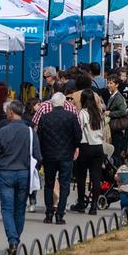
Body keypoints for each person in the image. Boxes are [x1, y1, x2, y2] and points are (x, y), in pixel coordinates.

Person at [0, 100, 41, 255]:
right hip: (24, 172)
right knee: (20, 209)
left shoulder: (2, 131)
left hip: (5, 172)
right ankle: (15, 239)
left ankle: (13, 239)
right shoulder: (30, 132)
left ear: (11, 112)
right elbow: (38, 155)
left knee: (7, 208)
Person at [36, 92, 81, 226]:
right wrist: (73, 146)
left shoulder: (44, 118)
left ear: (51, 103)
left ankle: (49, 213)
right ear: (63, 103)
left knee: (49, 184)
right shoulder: (71, 117)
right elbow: (78, 136)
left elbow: (40, 137)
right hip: (66, 155)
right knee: (64, 184)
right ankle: (60, 214)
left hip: (49, 155)